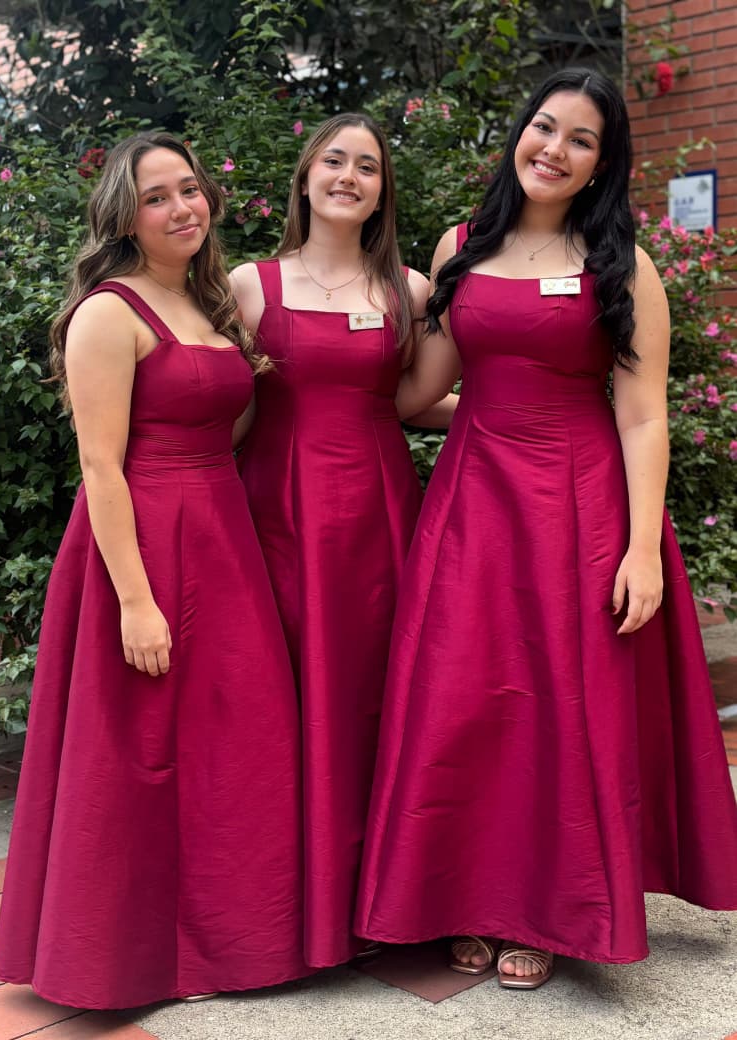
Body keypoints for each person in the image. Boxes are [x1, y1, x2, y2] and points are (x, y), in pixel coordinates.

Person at [354, 68, 737, 990]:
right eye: (544, 127)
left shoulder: (623, 265)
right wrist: (332, 355)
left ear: (603, 165)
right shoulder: (462, 247)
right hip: (474, 505)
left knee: (561, 707)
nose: (554, 150)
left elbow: (642, 416)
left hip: (581, 507)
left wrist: (642, 549)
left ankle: (548, 912)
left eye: (581, 140)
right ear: (519, 132)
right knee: (465, 696)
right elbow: (419, 393)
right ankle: (469, 895)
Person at [0, 132, 310, 1008]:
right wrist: (134, 601)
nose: (181, 208)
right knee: (136, 753)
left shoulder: (209, 304)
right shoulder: (109, 312)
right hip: (138, 543)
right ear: (125, 217)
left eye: (190, 190)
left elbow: (228, 426)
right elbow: (101, 467)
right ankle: (129, 958)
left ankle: (226, 945)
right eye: (157, 197)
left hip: (222, 539)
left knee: (233, 743)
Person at [230, 113, 447, 968]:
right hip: (276, 519)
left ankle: (381, 901)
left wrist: (545, 416)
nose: (349, 176)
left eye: (368, 166)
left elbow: (422, 402)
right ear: (305, 176)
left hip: (380, 520)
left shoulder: (412, 291)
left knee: (375, 697)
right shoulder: (248, 286)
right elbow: (226, 411)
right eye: (334, 160)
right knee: (279, 700)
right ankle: (289, 906)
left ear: (383, 191)